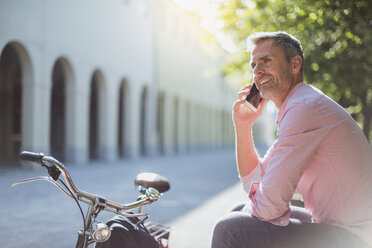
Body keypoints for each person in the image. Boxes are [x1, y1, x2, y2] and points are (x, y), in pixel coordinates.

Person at [212, 31, 372, 248]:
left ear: (295, 64)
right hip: (340, 228)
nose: (258, 71)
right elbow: (255, 181)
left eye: (266, 61)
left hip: (355, 238)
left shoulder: (304, 108)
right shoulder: (299, 105)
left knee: (230, 229)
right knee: (239, 213)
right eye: (254, 66)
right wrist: (242, 127)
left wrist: (258, 205)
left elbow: (269, 208)